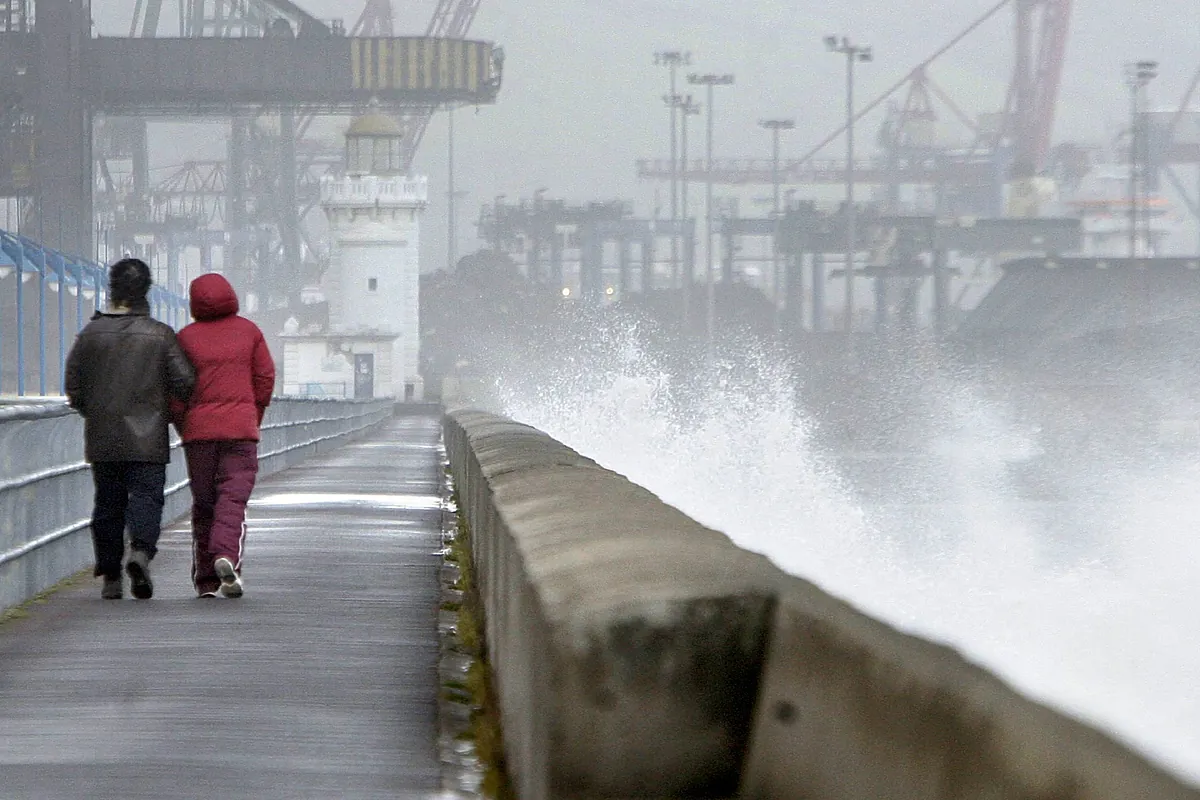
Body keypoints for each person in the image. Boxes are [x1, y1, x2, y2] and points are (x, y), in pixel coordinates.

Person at [65, 257, 195, 600]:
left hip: (103, 436)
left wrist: (95, 412)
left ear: (112, 288)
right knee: (147, 499)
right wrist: (163, 407)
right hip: (149, 437)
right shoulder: (160, 335)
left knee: (107, 502)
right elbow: (185, 382)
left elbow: (74, 387)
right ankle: (140, 551)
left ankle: (110, 574)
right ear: (147, 290)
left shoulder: (90, 334)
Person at [171, 273, 275, 598]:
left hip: (198, 436)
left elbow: (174, 389)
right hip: (240, 433)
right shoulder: (250, 332)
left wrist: (184, 422)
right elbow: (265, 377)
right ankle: (226, 556)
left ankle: (206, 582)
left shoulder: (184, 338)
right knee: (232, 498)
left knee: (204, 505)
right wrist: (252, 416)